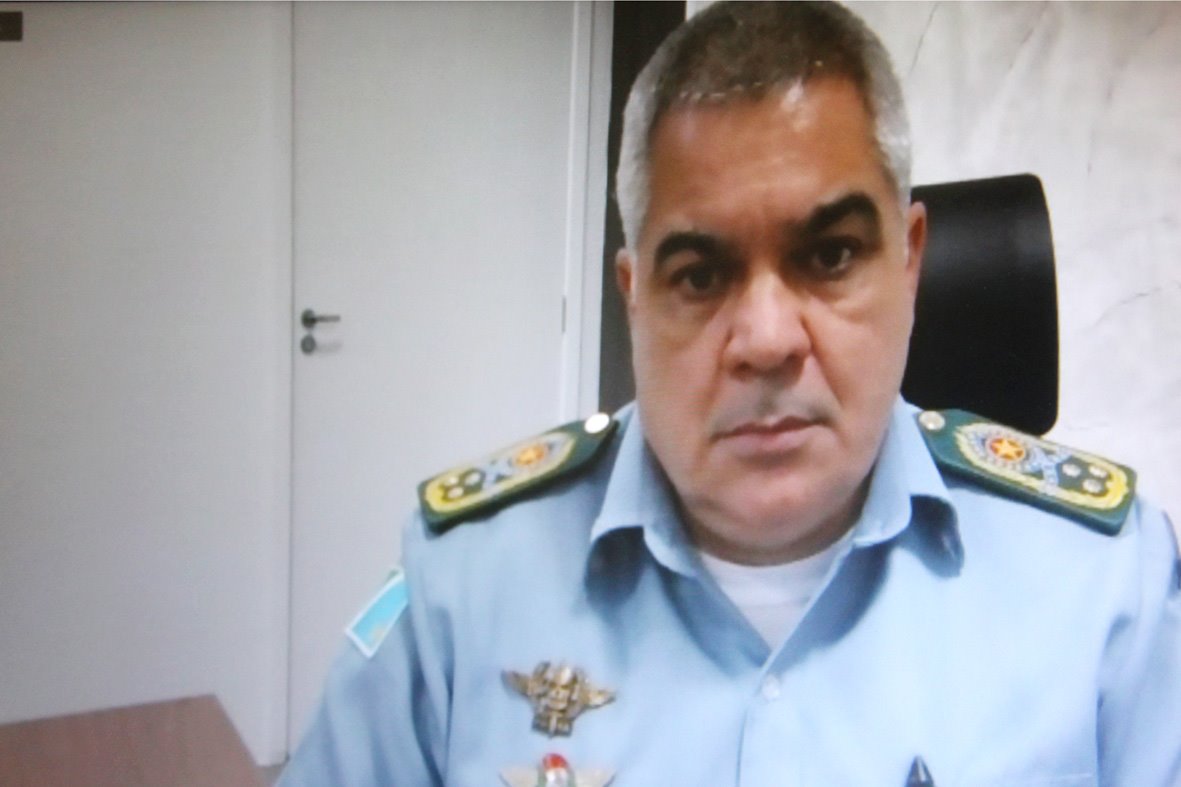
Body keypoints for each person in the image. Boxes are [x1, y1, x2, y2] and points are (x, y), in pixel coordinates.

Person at [280, 3, 1180, 785]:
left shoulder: (1107, 592)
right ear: (633, 296)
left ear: (909, 264)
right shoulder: (463, 587)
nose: (765, 339)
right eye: (701, 274)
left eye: (828, 255)